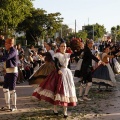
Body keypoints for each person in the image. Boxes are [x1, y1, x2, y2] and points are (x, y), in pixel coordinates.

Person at [32, 42, 77, 118]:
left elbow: (77, 54)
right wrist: (58, 69)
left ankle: (65, 111)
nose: (63, 47)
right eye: (62, 46)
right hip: (59, 74)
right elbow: (56, 64)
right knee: (57, 91)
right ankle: (55, 109)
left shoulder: (67, 55)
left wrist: (79, 47)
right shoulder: (57, 55)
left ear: (66, 47)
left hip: (67, 74)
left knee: (67, 92)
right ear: (59, 47)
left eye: (64, 46)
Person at [0, 38, 18, 111]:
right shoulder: (8, 51)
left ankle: (14, 106)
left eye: (6, 44)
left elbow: (7, 57)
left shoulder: (13, 50)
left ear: (11, 44)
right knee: (5, 89)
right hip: (8, 72)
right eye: (5, 44)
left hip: (13, 72)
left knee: (12, 90)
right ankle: (8, 105)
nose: (5, 45)